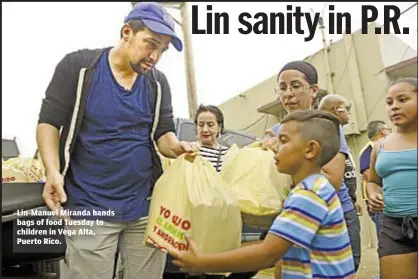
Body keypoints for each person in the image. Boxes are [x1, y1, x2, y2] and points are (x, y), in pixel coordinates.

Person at [36, 3, 194, 279]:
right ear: (126, 32)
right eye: (150, 44)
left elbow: (163, 134)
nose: (154, 56)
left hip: (145, 209)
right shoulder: (79, 68)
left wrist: (177, 147)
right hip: (89, 206)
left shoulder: (157, 84)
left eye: (162, 51)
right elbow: (49, 121)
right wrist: (52, 171)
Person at [169, 110, 356, 279]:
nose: (275, 146)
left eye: (283, 141)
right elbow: (277, 247)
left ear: (310, 150)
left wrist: (203, 261)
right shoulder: (311, 188)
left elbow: (267, 254)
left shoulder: (309, 194)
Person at [260, 61, 355, 278]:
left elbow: (332, 180)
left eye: (295, 86)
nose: (288, 94)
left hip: (331, 219)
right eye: (282, 88)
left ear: (313, 90)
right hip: (293, 217)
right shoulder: (276, 132)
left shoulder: (326, 126)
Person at [192, 104, 259, 279]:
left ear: (219, 127)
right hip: (195, 218)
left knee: (218, 266)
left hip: (222, 218)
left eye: (210, 124)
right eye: (200, 125)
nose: (205, 129)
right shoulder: (189, 151)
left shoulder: (230, 155)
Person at [366, 77, 417, 279]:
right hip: (394, 226)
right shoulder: (380, 146)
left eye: (403, 99)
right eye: (389, 102)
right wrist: (372, 193)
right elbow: (372, 181)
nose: (394, 107)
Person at [318, 94, 362, 272]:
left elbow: (345, 171)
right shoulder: (332, 127)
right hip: (340, 209)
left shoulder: (336, 131)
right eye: (347, 109)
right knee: (350, 263)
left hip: (347, 202)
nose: (349, 114)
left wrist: (354, 197)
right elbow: (334, 177)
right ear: (337, 109)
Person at [359, 120, 391, 239]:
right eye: (387, 130)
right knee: (385, 240)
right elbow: (369, 174)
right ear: (382, 131)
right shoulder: (369, 150)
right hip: (379, 203)